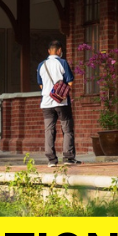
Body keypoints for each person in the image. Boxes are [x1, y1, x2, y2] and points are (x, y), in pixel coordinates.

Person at [37, 39, 78, 167]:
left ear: (49, 51)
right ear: (59, 50)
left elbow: (41, 85)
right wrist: (62, 92)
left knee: (49, 130)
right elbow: (70, 81)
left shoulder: (41, 65)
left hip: (46, 102)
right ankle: (68, 158)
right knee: (67, 129)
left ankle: (51, 160)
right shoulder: (63, 62)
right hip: (62, 102)